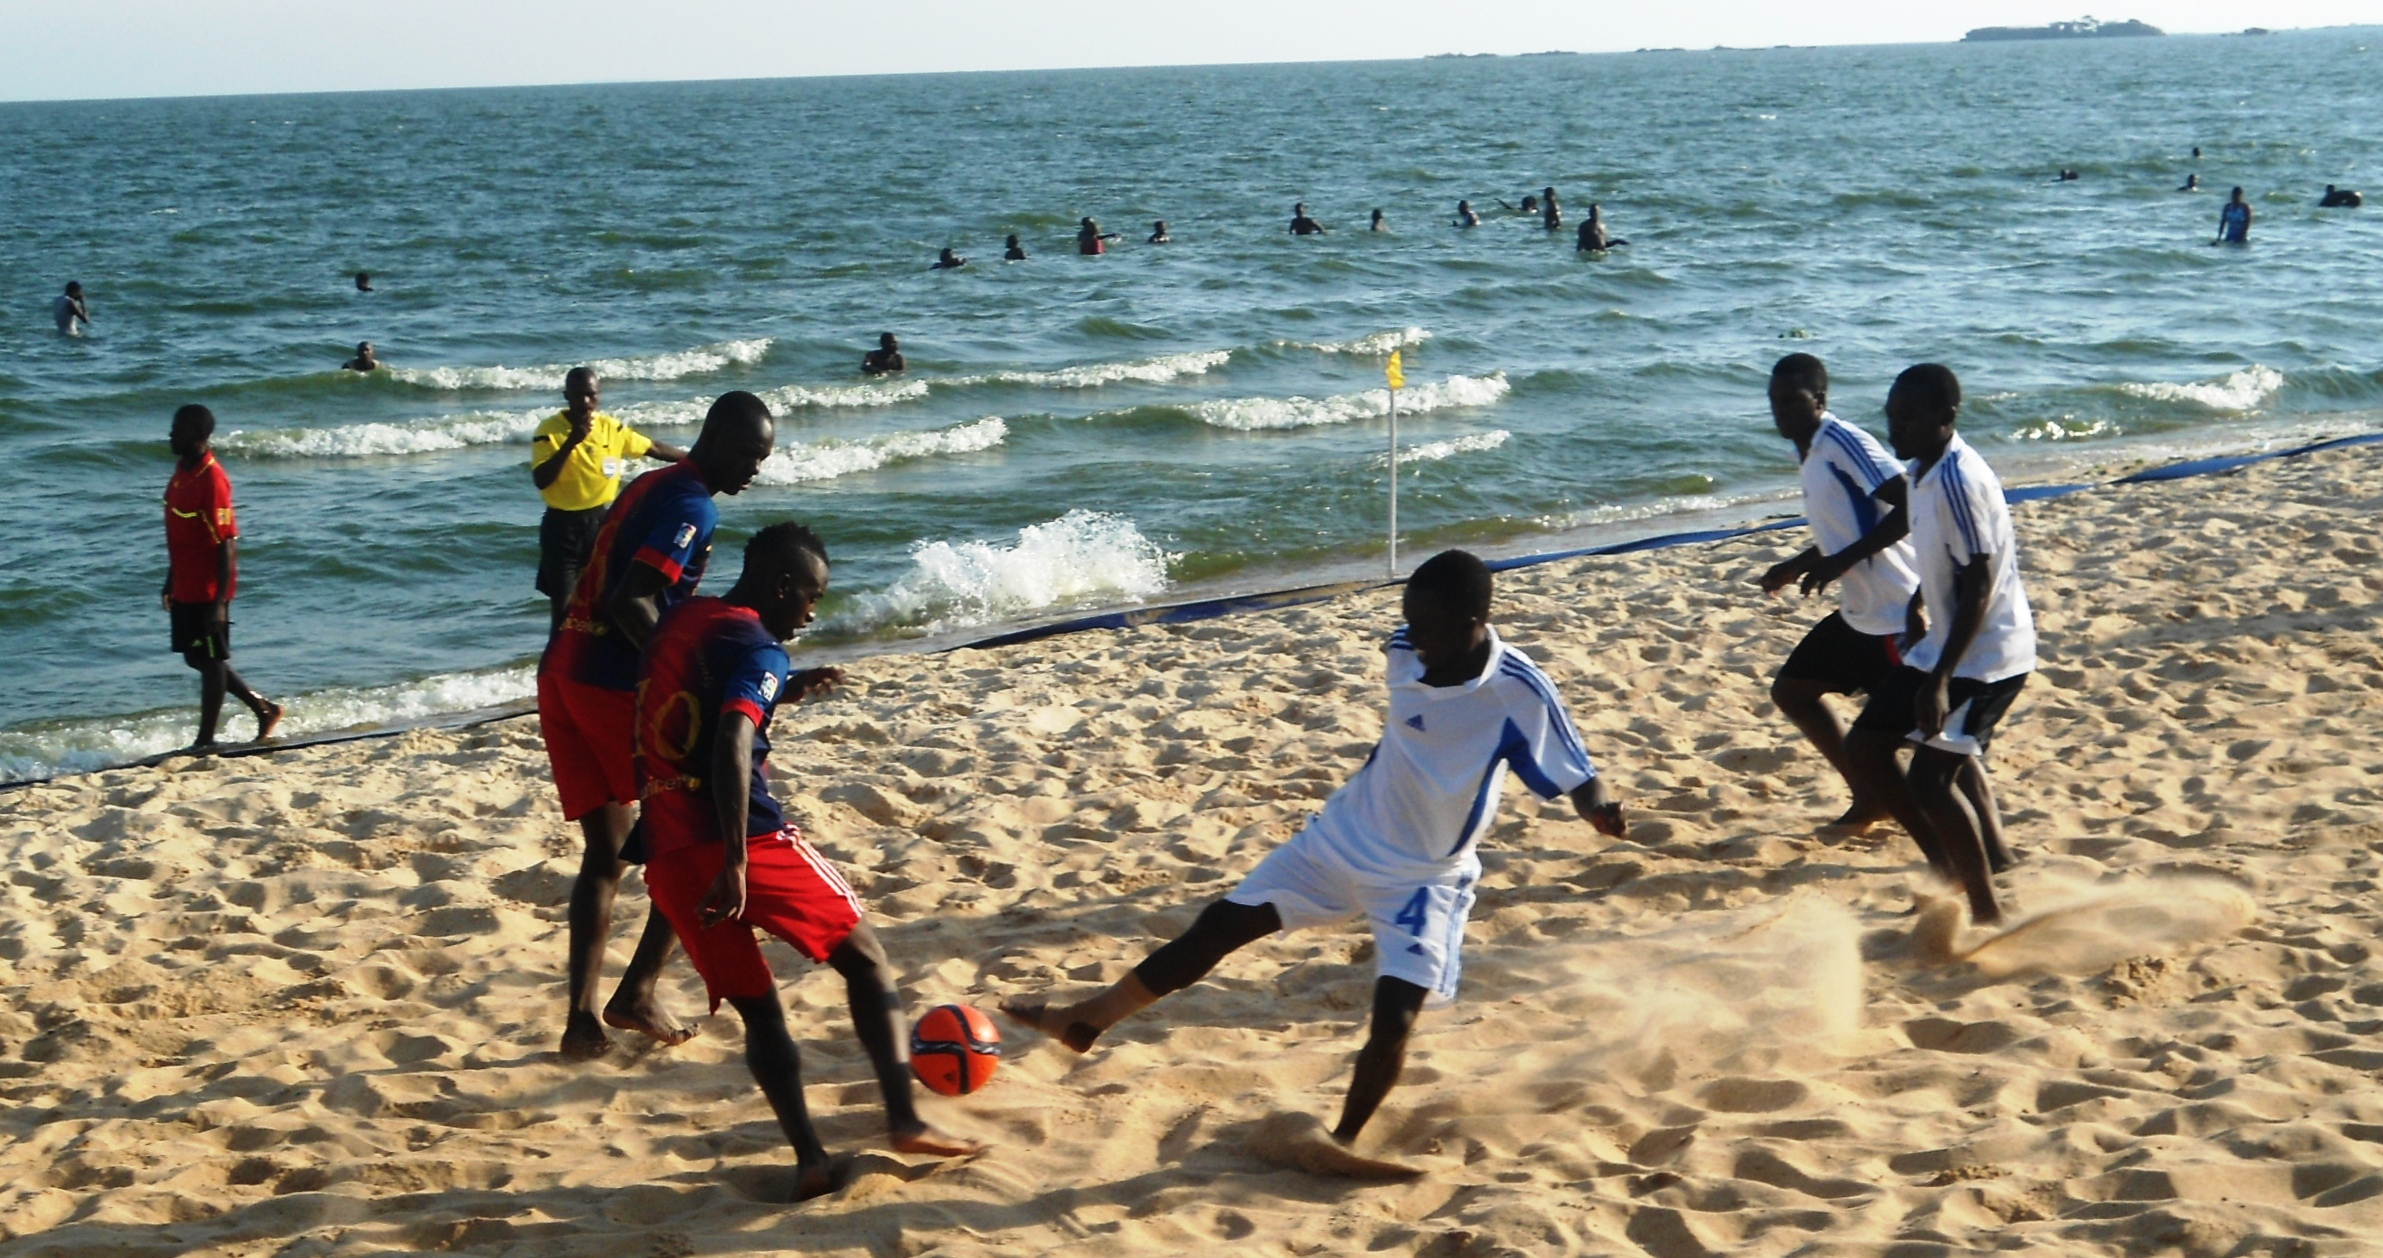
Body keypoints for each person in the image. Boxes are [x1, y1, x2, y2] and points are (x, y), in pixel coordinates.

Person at [1003, 550, 1626, 1156]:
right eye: (1409, 620)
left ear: (1472, 625)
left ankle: (1344, 1140)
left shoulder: (1518, 692)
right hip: (1342, 837)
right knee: (1220, 925)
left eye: (1428, 626)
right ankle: (1087, 1020)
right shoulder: (1404, 650)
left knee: (1394, 1019)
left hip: (1423, 877)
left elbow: (1577, 771)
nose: (1414, 637)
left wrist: (1597, 808)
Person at [636, 523, 982, 1196]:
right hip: (745, 843)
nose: (814, 612)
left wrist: (784, 692)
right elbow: (732, 740)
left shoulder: (685, 619)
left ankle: (811, 1161)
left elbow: (691, 711)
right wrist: (736, 860)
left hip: (668, 851)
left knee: (760, 1013)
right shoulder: (760, 648)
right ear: (782, 585)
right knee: (867, 957)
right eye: (812, 597)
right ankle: (906, 1120)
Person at [538, 390, 778, 1060]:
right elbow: (632, 600)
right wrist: (688, 676)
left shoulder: (655, 482)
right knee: (698, 826)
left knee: (605, 852)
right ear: (719, 438)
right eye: (751, 454)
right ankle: (639, 987)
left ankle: (582, 1019)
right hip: (609, 681)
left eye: (764, 459)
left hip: (561, 665)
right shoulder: (692, 505)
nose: (756, 469)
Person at [1843, 365, 2036, 930]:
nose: (1896, 428)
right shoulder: (1920, 470)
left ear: (1946, 418)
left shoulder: (1958, 479)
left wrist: (1941, 678)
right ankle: (1949, 866)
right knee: (1866, 748)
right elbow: (1945, 558)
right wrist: (1919, 600)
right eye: (1891, 417)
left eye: (1909, 418)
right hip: (1946, 645)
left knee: (1931, 779)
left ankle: (1986, 911)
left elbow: (1978, 581)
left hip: (1989, 656)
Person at [1756, 355, 1921, 829]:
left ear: (1820, 401)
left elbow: (1910, 501)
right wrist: (1796, 564)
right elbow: (1847, 525)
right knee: (1792, 692)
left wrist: (1842, 560)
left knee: (1923, 740)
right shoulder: (1806, 451)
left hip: (1895, 611)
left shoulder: (1842, 441)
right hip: (1859, 613)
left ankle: (1952, 847)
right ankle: (1870, 799)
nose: (1780, 411)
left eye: (1792, 400)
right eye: (1774, 401)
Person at [530, 367, 689, 631]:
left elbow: (654, 448)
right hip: (562, 529)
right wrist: (572, 441)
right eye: (578, 396)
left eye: (591, 396)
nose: (585, 403)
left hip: (600, 524)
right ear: (565, 396)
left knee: (605, 603)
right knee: (564, 611)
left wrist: (697, 460)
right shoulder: (549, 430)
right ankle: (554, 668)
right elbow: (542, 479)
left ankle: (596, 666)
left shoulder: (610, 428)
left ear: (599, 396)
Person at [162, 405, 283, 750]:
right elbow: (182, 531)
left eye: (177, 429)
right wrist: (171, 579)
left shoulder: (213, 479)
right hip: (185, 582)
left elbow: (227, 543)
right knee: (194, 656)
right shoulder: (182, 471)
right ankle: (264, 708)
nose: (171, 435)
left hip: (208, 587)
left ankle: (205, 741)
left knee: (213, 660)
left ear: (197, 435)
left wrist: (219, 603)